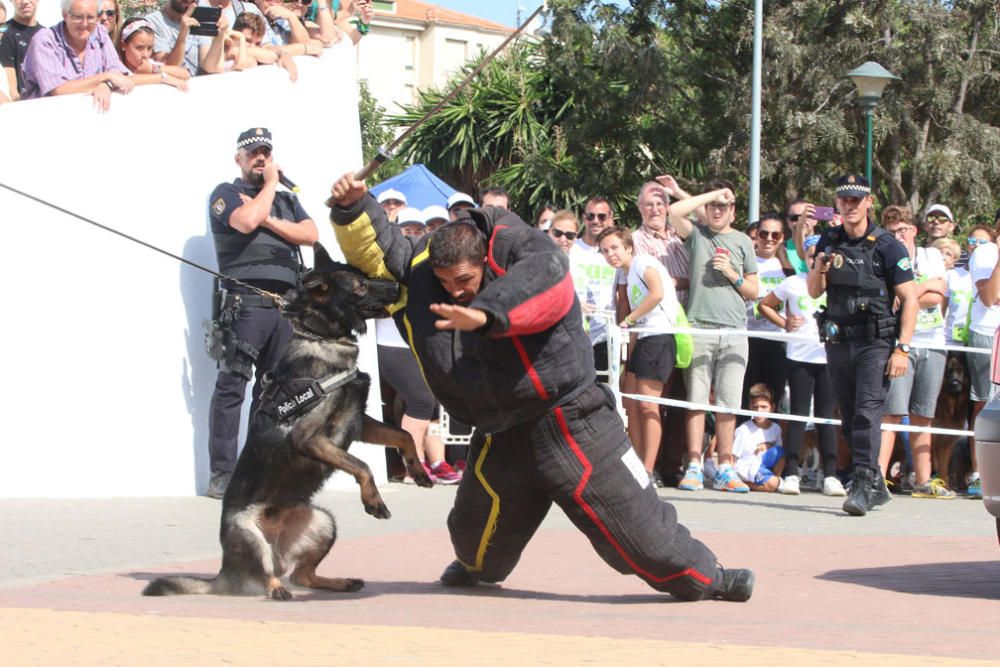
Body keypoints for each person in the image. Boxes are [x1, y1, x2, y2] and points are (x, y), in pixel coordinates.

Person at [327, 171, 755, 603]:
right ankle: (478, 567)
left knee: (646, 541)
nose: (456, 293)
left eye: (465, 282)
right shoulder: (424, 267)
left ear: (483, 260)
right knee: (472, 544)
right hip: (499, 432)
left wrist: (488, 314)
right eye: (447, 284)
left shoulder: (523, 247)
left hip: (572, 422)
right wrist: (352, 207)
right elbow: (380, 248)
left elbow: (547, 282)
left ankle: (712, 577)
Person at [205, 127, 319, 498]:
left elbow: (310, 234)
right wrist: (269, 188)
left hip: (285, 308)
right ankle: (222, 472)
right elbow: (246, 221)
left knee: (273, 395)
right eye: (253, 152)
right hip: (246, 305)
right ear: (238, 158)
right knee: (232, 386)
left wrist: (272, 216)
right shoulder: (226, 193)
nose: (261, 158)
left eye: (266, 153)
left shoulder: (285, 200)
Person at [808, 175, 917, 516]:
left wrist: (902, 349)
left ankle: (864, 483)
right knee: (848, 416)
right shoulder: (830, 238)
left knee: (867, 413)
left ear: (869, 202)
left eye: (857, 199)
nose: (850, 205)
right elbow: (814, 291)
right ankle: (876, 485)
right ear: (837, 203)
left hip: (876, 342)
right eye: (844, 200)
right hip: (839, 340)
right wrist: (820, 266)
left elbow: (910, 299)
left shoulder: (887, 245)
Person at [668, 179, 758, 494]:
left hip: (734, 331)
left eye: (724, 205)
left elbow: (754, 291)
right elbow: (674, 211)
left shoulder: (744, 241)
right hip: (700, 327)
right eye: (713, 206)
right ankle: (693, 464)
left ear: (733, 211)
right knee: (695, 401)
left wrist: (731, 273)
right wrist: (710, 196)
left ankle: (725, 466)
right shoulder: (698, 235)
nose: (718, 210)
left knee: (728, 404)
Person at [877, 206, 953, 498]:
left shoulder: (930, 255)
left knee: (924, 414)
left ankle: (923, 480)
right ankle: (879, 478)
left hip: (933, 342)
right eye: (893, 231)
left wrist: (909, 293)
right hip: (899, 345)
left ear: (914, 230)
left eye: (904, 230)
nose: (899, 235)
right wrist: (919, 291)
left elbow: (938, 294)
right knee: (892, 414)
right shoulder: (884, 256)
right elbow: (892, 303)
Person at [759, 234, 844, 496]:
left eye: (819, 257)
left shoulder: (836, 284)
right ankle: (792, 473)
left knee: (826, 417)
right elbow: (764, 305)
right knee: (797, 414)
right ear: (804, 257)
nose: (814, 261)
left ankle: (830, 475)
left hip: (828, 358)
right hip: (799, 357)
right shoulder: (793, 283)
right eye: (810, 256)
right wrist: (784, 322)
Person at [599, 226, 682, 487]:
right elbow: (635, 322)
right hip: (643, 340)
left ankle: (648, 469)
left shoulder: (643, 263)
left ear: (628, 247)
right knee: (632, 405)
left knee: (648, 406)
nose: (610, 254)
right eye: (604, 251)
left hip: (659, 339)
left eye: (614, 248)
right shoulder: (627, 275)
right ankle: (635, 463)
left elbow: (657, 293)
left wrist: (628, 320)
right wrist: (627, 360)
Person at [20, 0, 134, 111]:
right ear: (64, 15)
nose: (84, 24)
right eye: (78, 17)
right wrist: (104, 78)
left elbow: (117, 73)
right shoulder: (44, 40)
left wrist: (105, 85)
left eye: (90, 17)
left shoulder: (100, 33)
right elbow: (59, 90)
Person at [742, 211, 794, 412]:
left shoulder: (787, 268)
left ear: (782, 238)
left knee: (775, 398)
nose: (769, 239)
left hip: (778, 339)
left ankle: (773, 442)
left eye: (776, 235)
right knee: (747, 396)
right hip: (749, 337)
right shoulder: (746, 263)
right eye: (764, 234)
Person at [965, 232, 1000, 501]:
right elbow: (990, 296)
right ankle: (979, 474)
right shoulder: (985, 252)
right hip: (989, 334)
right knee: (987, 406)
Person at [569, 195, 617, 377]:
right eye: (590, 216)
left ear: (610, 217)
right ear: (584, 218)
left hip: (605, 335)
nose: (595, 221)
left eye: (602, 216)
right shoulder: (572, 249)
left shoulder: (614, 252)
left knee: (603, 392)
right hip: (574, 334)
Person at [145, 0, 229, 77]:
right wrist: (183, 33)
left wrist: (220, 34)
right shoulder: (152, 23)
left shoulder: (200, 18)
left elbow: (210, 67)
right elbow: (168, 67)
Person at [731, 384, 785, 492]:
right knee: (774, 484)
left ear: (772, 408)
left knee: (780, 452)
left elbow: (779, 454)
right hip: (748, 467)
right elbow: (733, 457)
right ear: (750, 407)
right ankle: (748, 484)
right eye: (755, 407)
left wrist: (768, 446)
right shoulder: (744, 429)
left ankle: (770, 480)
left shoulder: (776, 428)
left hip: (763, 464)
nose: (759, 411)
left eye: (763, 407)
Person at [117, 17, 191, 89]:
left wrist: (153, 69)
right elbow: (124, 80)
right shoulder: (115, 66)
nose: (145, 54)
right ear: (123, 45)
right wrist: (162, 77)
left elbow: (185, 74)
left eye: (149, 48)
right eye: (139, 48)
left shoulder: (150, 66)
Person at [1, 0, 43, 101]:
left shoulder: (47, 35)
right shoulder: (4, 33)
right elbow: (12, 91)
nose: (25, 1)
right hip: (22, 107)